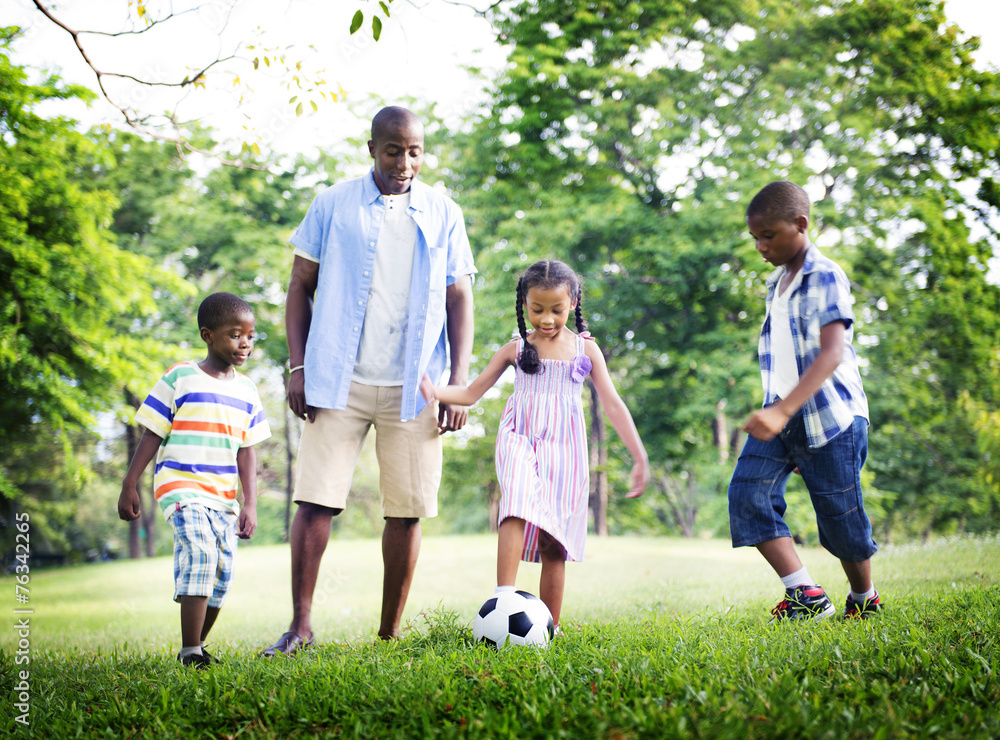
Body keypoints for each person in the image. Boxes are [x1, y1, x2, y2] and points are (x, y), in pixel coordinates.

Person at [263, 106, 476, 655]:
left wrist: (458, 382)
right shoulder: (332, 204)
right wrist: (298, 365)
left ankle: (389, 633)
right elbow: (298, 285)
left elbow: (459, 297)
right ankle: (300, 626)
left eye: (414, 151)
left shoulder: (444, 212)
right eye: (393, 150)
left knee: (406, 509)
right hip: (337, 378)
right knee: (315, 501)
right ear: (371, 148)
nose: (404, 162)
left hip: (418, 385)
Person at [420, 259, 649, 629]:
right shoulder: (515, 349)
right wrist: (435, 390)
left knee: (553, 542)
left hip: (566, 449)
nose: (546, 319)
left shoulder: (585, 351)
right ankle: (504, 597)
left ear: (573, 303)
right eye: (537, 309)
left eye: (556, 310)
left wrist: (638, 455)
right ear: (524, 304)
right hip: (520, 438)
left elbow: (613, 404)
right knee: (515, 504)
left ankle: (550, 627)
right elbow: (471, 392)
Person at [728, 180, 881, 622]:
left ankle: (863, 596)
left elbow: (832, 352)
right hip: (784, 414)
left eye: (768, 235)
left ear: (801, 224)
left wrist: (781, 410)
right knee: (747, 494)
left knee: (840, 518)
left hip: (831, 419)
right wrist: (774, 407)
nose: (760, 246)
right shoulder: (778, 280)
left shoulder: (825, 274)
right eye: (755, 237)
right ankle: (806, 594)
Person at [118, 292, 271, 667]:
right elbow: (152, 431)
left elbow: (247, 451)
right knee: (200, 554)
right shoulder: (181, 376)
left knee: (221, 574)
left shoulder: (247, 391)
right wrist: (130, 483)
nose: (245, 343)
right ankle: (190, 654)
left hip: (223, 497)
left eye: (250, 336)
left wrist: (249, 503)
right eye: (235, 335)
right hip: (181, 485)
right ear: (208, 335)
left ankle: (197, 646)